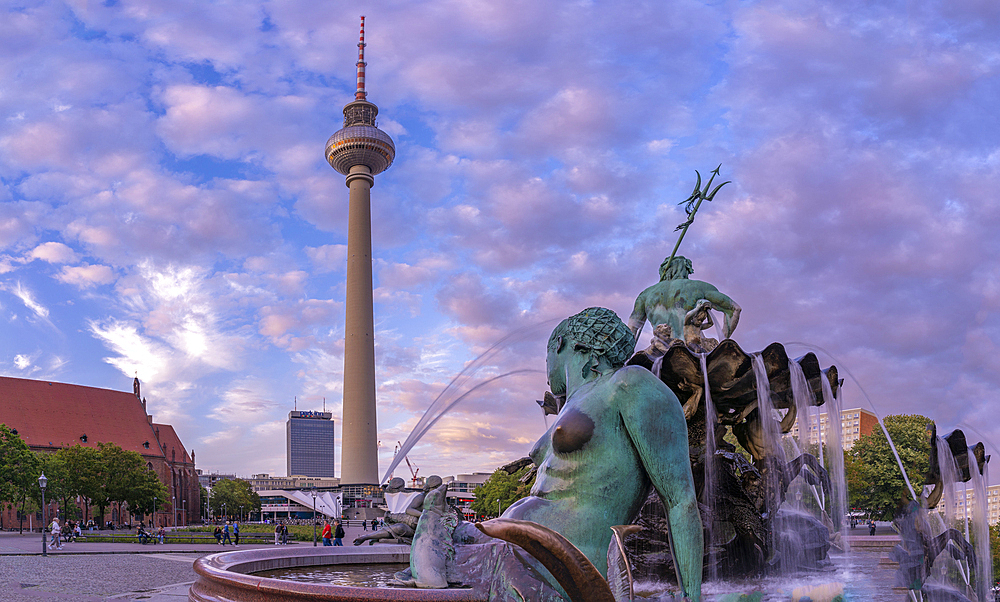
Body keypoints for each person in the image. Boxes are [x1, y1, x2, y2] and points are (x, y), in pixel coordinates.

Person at [409, 307, 704, 601]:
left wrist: (690, 595)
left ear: (562, 344)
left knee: (432, 555)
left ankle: (437, 532)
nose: (547, 368)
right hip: (512, 545)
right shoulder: (573, 404)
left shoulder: (629, 384)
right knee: (433, 537)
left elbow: (680, 499)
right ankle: (440, 529)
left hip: (559, 564)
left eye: (546, 356)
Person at [627, 255, 741, 347]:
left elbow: (631, 330)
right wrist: (723, 341)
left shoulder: (646, 294)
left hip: (659, 351)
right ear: (686, 269)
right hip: (692, 348)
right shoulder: (700, 287)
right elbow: (735, 309)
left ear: (664, 271)